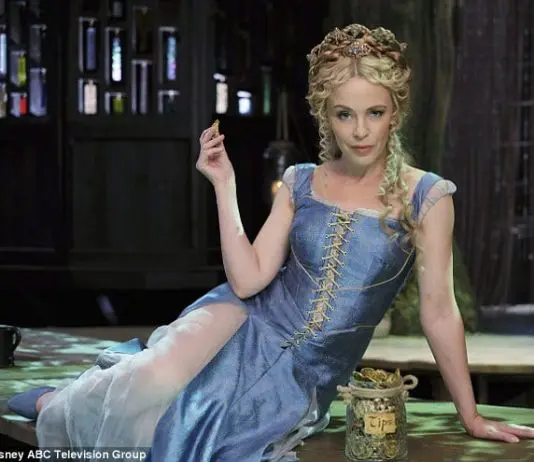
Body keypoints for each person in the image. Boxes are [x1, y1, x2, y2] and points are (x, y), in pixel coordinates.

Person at [7, 23, 534, 461]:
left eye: (374, 113)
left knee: (200, 428)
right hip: (244, 314)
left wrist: (470, 414)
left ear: (394, 112)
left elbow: (439, 313)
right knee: (154, 378)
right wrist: (225, 185)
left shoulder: (427, 197)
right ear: (325, 115)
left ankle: (82, 399)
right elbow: (249, 280)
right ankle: (63, 404)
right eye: (344, 114)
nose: (360, 131)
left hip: (306, 370)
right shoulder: (302, 181)